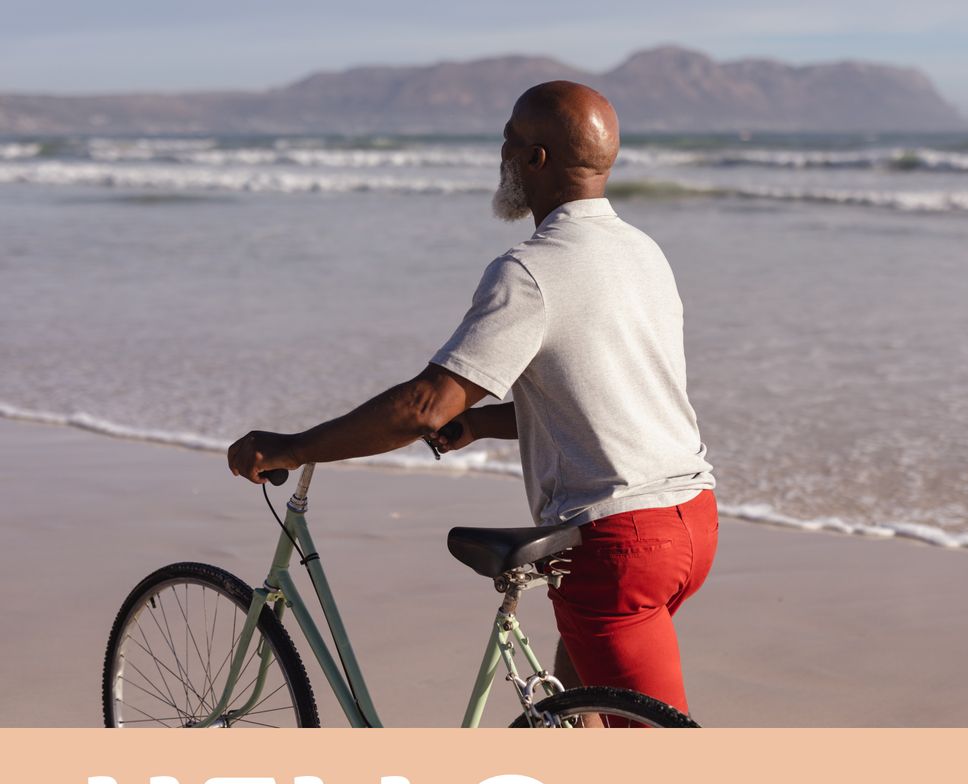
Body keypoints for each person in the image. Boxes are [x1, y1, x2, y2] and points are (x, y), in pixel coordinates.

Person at [228, 80, 717, 716]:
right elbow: (614, 398)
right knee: (582, 717)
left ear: (535, 159)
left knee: (675, 778)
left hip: (618, 546)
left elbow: (424, 406)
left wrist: (291, 445)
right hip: (692, 523)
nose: (502, 152)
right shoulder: (644, 254)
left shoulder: (532, 269)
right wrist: (484, 423)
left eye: (509, 139)